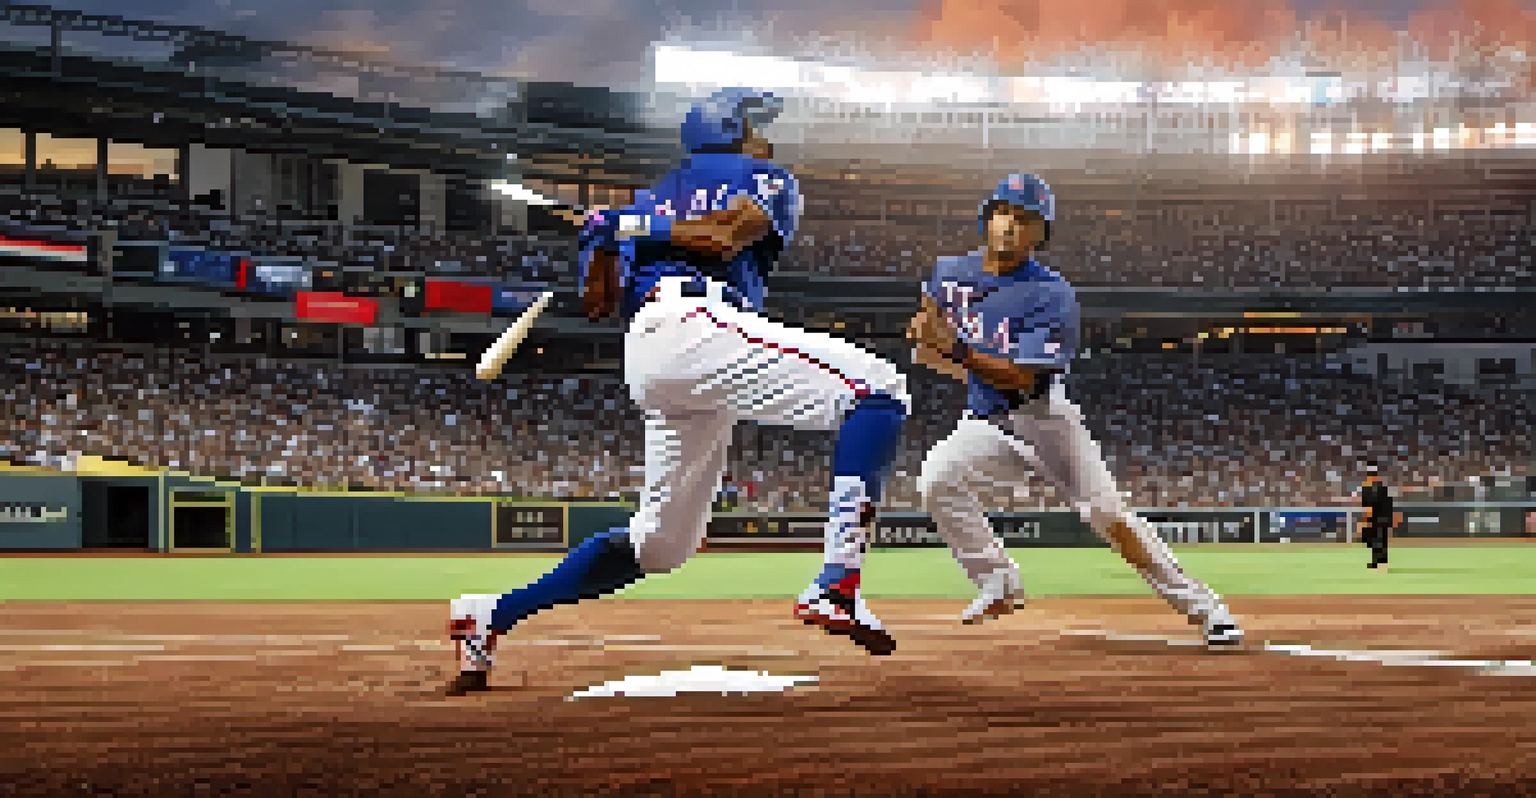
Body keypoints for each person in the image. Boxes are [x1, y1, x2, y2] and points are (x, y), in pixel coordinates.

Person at [445, 88, 910, 695]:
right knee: (880, 387)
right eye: (757, 127)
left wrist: (626, 226)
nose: (766, 139)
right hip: (693, 328)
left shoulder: (643, 204)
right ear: (733, 129)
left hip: (665, 358)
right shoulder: (763, 175)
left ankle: (490, 615)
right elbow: (605, 296)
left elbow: (713, 242)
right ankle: (837, 583)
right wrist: (605, 241)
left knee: (661, 546)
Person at [908, 173, 1244, 646]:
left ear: (1039, 234)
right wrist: (932, 341)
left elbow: (1025, 377)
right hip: (985, 421)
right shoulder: (948, 272)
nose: (1009, 225)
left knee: (1108, 516)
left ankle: (1205, 607)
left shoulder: (1052, 294)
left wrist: (959, 352)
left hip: (1044, 420)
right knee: (936, 477)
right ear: (987, 217)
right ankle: (997, 579)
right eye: (1002, 212)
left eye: (1024, 219)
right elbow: (926, 332)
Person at [1358, 469, 1399, 571]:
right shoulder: (1384, 488)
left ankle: (1376, 561)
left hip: (1375, 519)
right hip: (1384, 518)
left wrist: (1365, 520)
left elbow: (1369, 507)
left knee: (1374, 541)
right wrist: (1391, 517)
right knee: (1382, 540)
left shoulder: (1368, 489)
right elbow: (1389, 503)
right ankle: (1382, 562)